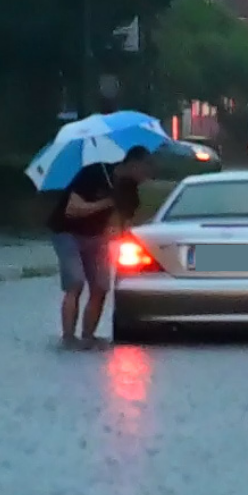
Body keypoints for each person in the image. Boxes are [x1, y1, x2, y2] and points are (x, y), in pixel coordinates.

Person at [49, 146, 153, 349]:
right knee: (76, 282)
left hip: (97, 236)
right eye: (145, 167)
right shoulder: (95, 173)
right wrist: (106, 203)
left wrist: (119, 232)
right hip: (67, 232)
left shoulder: (130, 189)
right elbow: (72, 209)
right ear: (133, 164)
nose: (148, 174)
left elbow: (124, 221)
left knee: (101, 285)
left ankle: (88, 336)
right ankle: (68, 337)